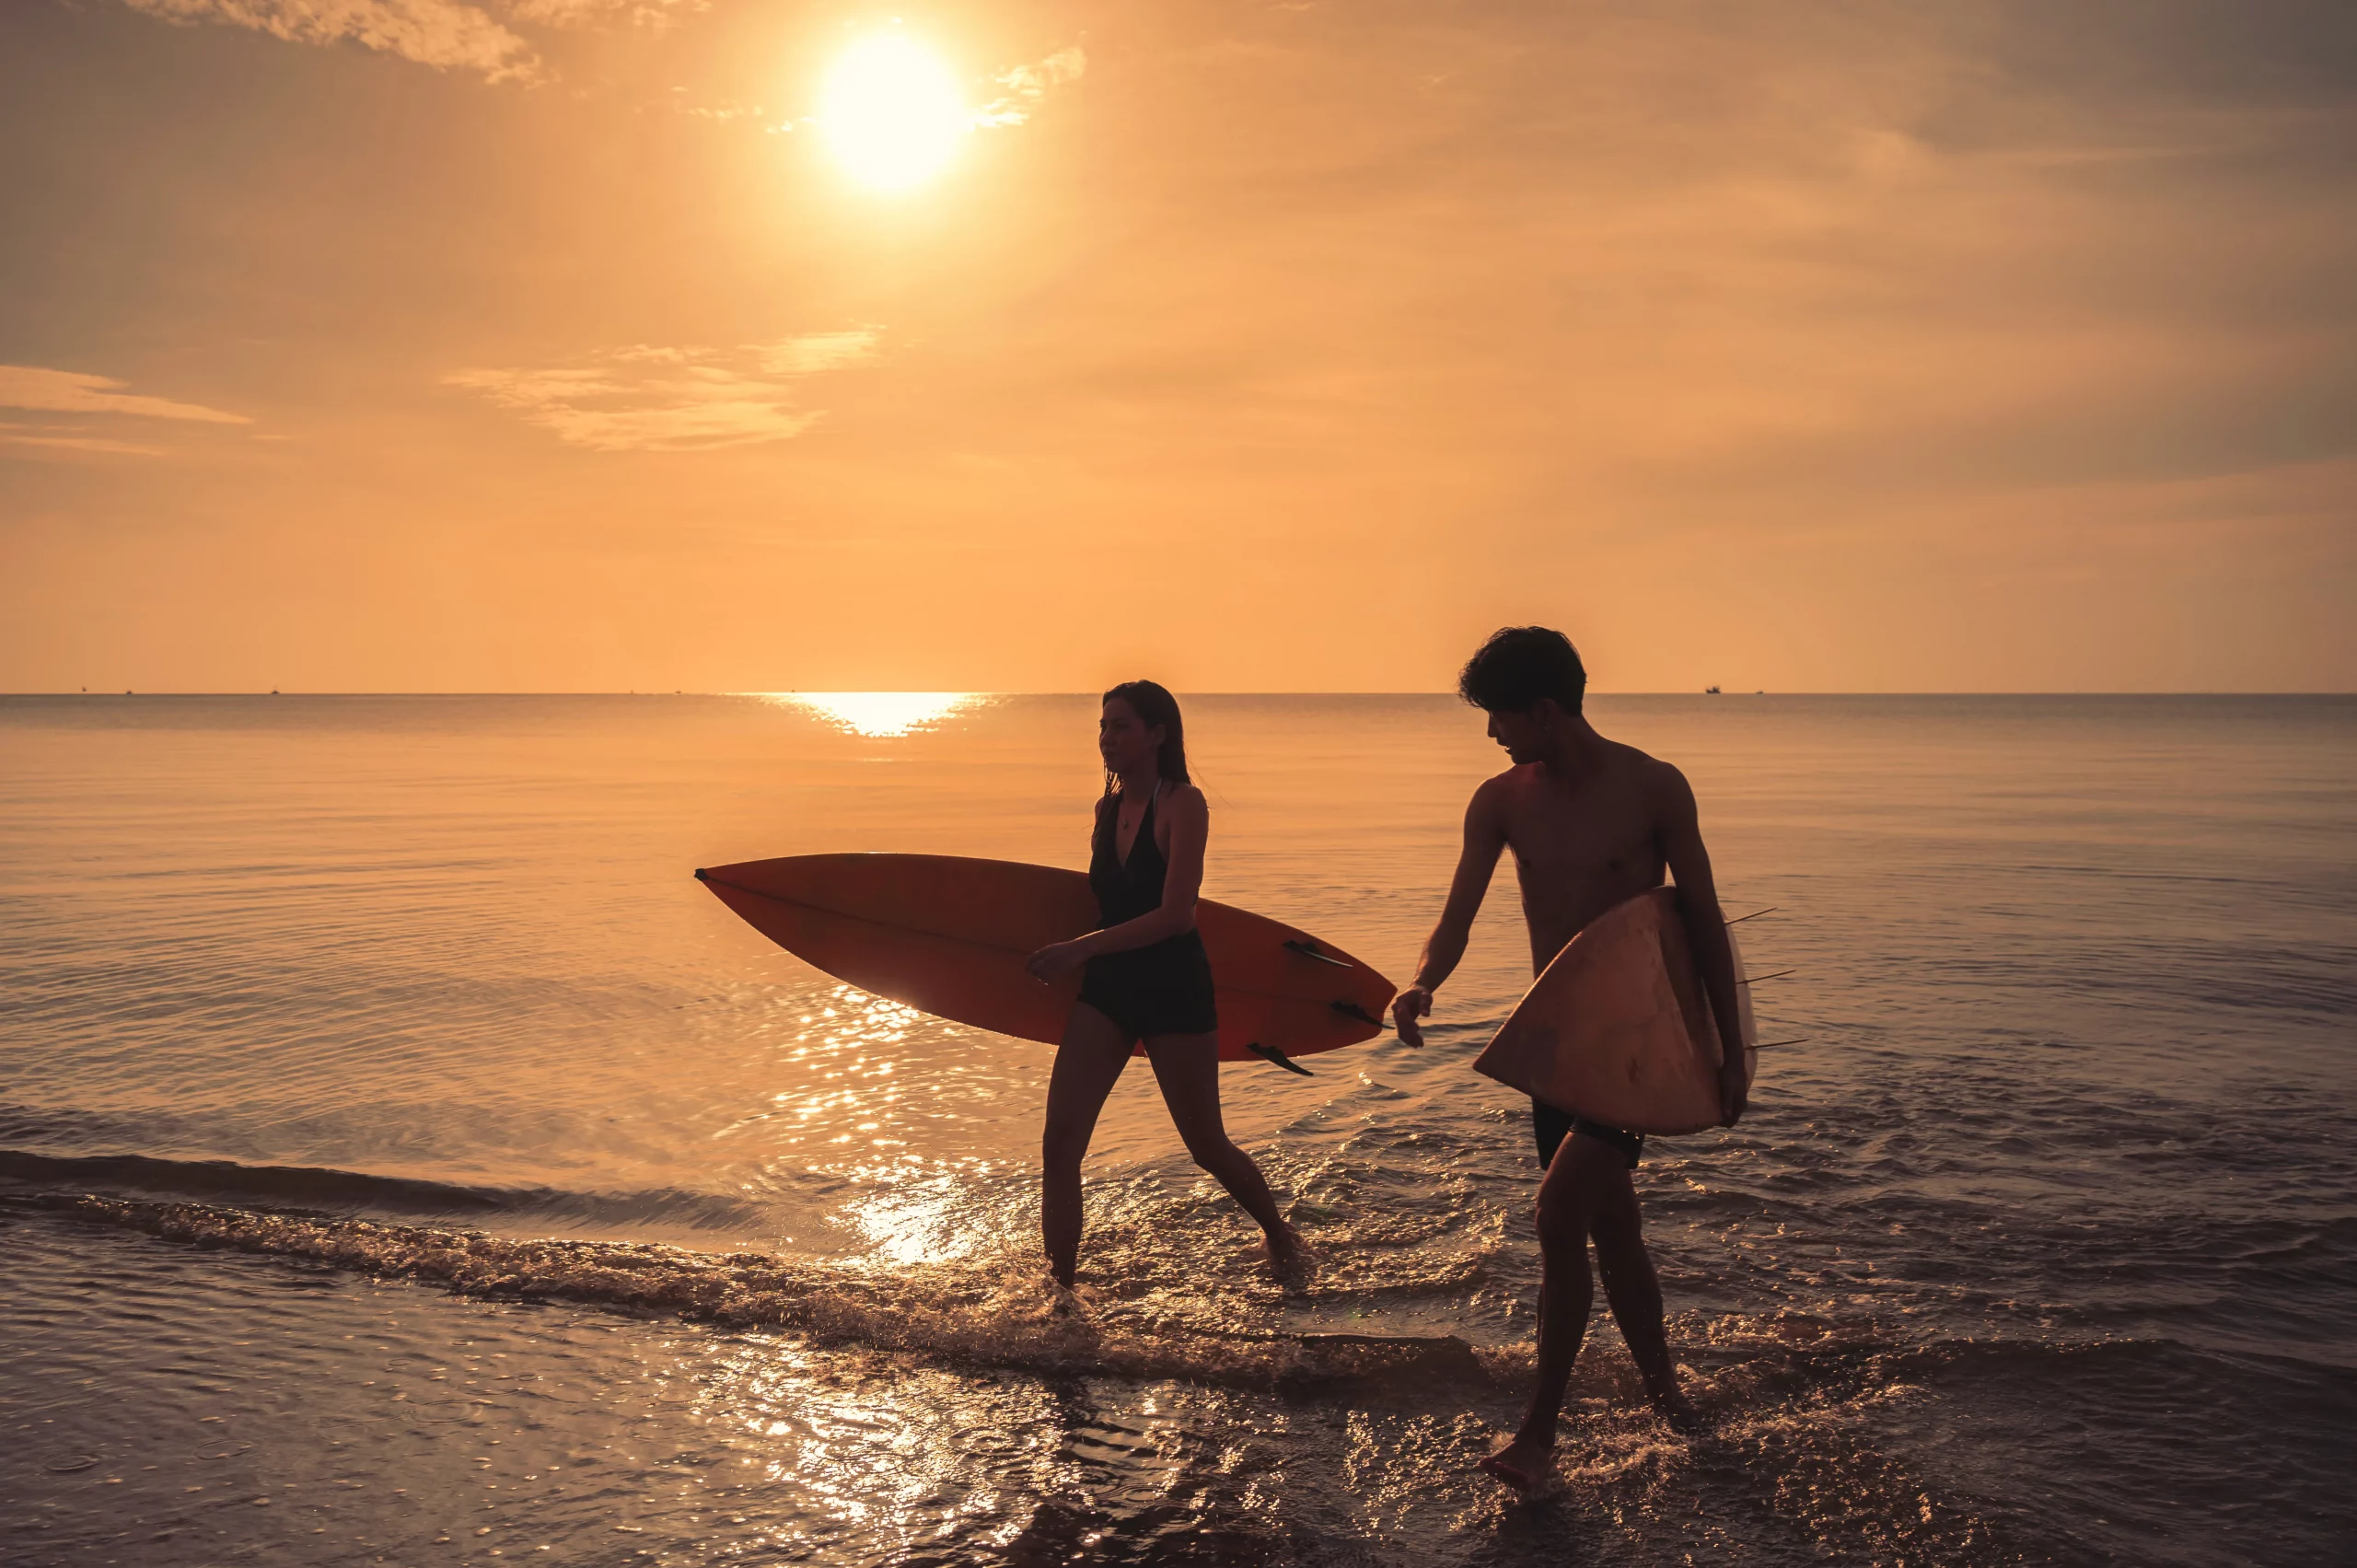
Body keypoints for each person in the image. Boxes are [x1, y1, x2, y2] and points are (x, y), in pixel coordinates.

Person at [1391, 627, 1748, 1491]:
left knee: (1556, 1217)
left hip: (1637, 1044)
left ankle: (1538, 1439)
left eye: (1501, 717)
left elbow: (1701, 917)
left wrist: (1729, 1052)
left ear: (1546, 710)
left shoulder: (1655, 788)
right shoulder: (1499, 801)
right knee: (1611, 1227)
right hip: (1561, 1047)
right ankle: (1669, 1398)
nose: (1493, 735)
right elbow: (1458, 917)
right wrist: (1421, 983)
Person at [1024, 680, 1311, 1289]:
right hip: (1108, 990)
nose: (1107, 737)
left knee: (1206, 1143)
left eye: (1122, 725)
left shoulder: (1184, 804)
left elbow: (1177, 914)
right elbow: (1108, 902)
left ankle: (1281, 1235)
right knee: (1060, 1143)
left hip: (1172, 989)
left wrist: (1078, 949)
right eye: (1103, 726)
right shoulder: (1104, 812)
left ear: (1158, 733)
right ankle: (1061, 1293)